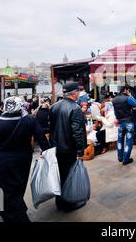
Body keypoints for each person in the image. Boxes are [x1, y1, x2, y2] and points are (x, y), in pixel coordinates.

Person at [0, 97, 50, 222]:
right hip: (22, 160)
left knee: (0, 187)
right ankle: (15, 208)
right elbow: (41, 137)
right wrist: (47, 151)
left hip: (1, 162)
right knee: (18, 186)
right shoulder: (28, 120)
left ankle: (7, 212)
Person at [49, 83, 87, 212]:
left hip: (56, 147)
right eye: (78, 92)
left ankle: (60, 202)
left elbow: (51, 128)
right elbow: (77, 132)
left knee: (60, 175)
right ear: (74, 93)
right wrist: (80, 150)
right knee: (68, 176)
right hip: (68, 148)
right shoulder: (75, 108)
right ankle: (67, 203)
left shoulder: (54, 106)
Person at [112, 85, 136, 165]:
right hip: (128, 122)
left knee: (120, 140)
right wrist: (130, 95)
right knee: (128, 141)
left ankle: (120, 157)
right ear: (126, 90)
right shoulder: (127, 98)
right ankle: (125, 159)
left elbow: (115, 111)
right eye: (128, 90)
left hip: (120, 122)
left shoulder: (114, 99)